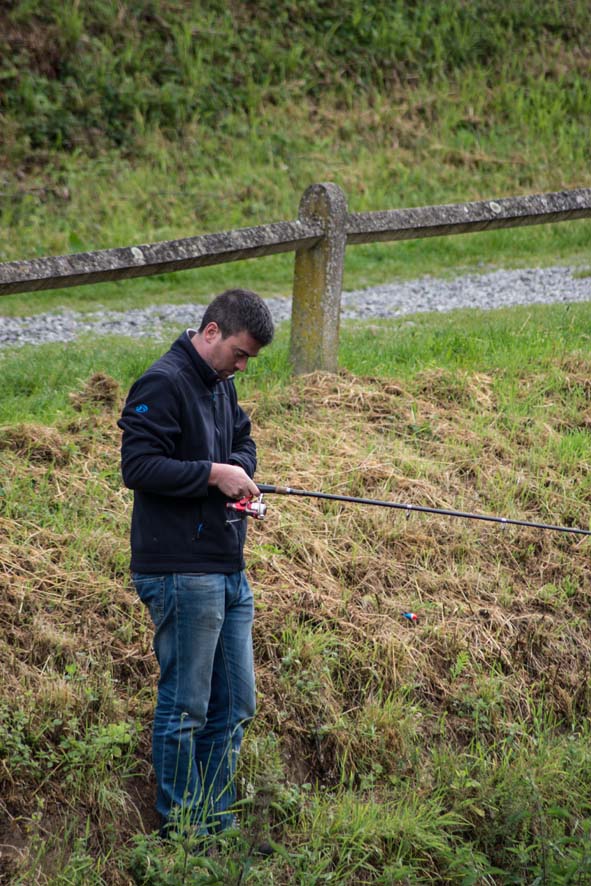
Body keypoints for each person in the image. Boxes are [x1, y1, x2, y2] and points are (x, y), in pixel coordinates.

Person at [118, 288, 274, 837]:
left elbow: (243, 440)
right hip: (180, 570)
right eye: (240, 352)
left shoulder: (220, 385)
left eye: (249, 359)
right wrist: (213, 475)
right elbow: (137, 466)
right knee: (186, 707)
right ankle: (182, 830)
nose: (242, 365)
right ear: (212, 332)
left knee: (235, 705)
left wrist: (240, 476)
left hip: (228, 566)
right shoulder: (162, 382)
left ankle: (215, 821)